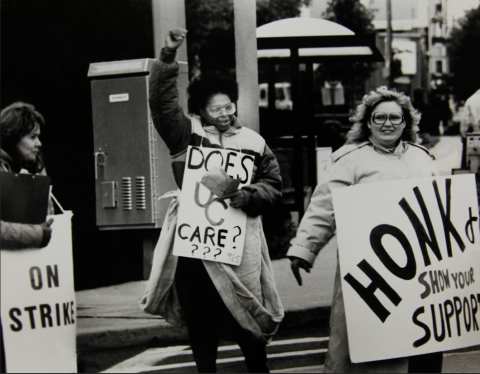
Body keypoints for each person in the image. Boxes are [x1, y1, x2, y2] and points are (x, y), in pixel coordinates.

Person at [141, 28, 284, 373]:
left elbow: (273, 184)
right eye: (214, 108)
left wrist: (247, 195)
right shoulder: (184, 134)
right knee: (201, 322)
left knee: (248, 316)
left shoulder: (253, 141)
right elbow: (161, 102)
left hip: (242, 243)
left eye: (228, 106)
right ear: (200, 110)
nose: (223, 113)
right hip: (196, 247)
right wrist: (168, 56)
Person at [287, 87, 442, 373]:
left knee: (423, 345)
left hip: (421, 271)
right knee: (371, 350)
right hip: (371, 273)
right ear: (367, 122)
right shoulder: (350, 159)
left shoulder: (423, 158)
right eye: (379, 117)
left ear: (406, 122)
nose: (388, 123)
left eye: (395, 117)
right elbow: (324, 207)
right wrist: (304, 248)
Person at [0, 102, 54, 373]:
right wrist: (38, 235)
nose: (39, 143)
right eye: (32, 137)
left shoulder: (14, 168)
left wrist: (37, 172)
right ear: (12, 138)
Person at [460, 88, 480, 169]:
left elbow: (465, 120)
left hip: (476, 134)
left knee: (473, 157)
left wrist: (463, 133)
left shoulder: (471, 100)